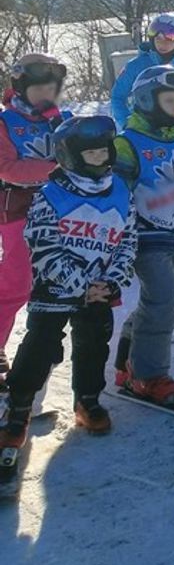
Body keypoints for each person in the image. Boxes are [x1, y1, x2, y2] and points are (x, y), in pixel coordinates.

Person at [0, 116, 135, 471]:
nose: (100, 158)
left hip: (101, 288)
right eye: (91, 153)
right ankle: (18, 407)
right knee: (40, 346)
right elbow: (42, 246)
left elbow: (128, 240)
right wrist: (80, 286)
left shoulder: (121, 190)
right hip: (57, 287)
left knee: (94, 344)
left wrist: (112, 280)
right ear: (72, 156)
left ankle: (87, 400)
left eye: (104, 151)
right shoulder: (51, 193)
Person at [111, 65, 174, 408]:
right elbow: (116, 197)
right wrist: (117, 245)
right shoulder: (127, 143)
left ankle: (128, 362)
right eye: (169, 100)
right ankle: (149, 377)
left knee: (159, 303)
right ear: (145, 101)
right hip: (145, 237)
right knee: (164, 304)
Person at [0, 53, 70, 377]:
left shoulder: (62, 120)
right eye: (39, 89)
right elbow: (8, 168)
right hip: (20, 210)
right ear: (22, 87)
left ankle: (42, 344)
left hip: (62, 208)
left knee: (57, 280)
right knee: (17, 283)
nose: (46, 95)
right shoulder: (6, 123)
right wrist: (57, 169)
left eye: (51, 89)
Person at [110, 13, 174, 129]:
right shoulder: (135, 66)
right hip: (141, 131)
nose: (162, 43)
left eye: (169, 39)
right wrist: (126, 123)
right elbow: (117, 97)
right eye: (158, 38)